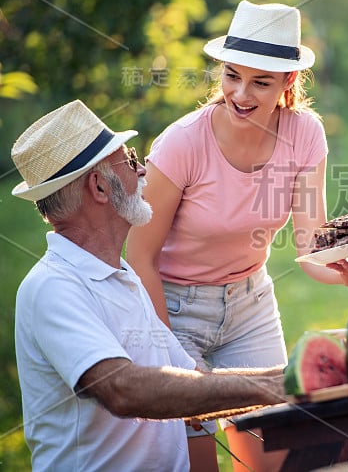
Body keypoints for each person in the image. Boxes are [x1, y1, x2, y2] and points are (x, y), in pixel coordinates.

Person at [125, 0, 348, 471]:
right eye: (232, 75)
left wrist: (346, 273)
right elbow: (140, 256)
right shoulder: (182, 143)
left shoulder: (305, 133)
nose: (241, 93)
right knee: (195, 462)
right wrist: (167, 347)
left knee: (271, 461)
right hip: (171, 307)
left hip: (250, 306)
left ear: (289, 82)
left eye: (261, 82)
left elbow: (309, 244)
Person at [10, 100, 287, 472]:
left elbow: (192, 381)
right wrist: (280, 385)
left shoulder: (123, 276)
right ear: (100, 187)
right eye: (129, 161)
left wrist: (290, 380)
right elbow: (123, 389)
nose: (142, 171)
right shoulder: (53, 288)